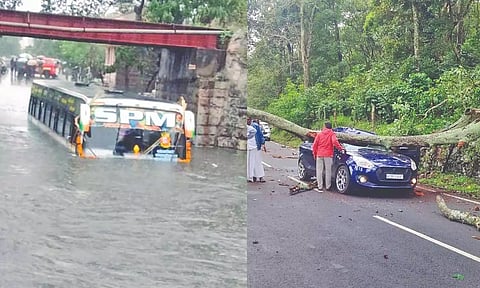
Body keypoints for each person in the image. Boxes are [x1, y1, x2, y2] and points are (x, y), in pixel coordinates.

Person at [312, 121, 345, 191]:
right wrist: (340, 148)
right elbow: (334, 142)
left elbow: (315, 145)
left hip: (319, 154)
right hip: (328, 154)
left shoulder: (319, 134)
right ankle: (328, 186)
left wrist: (314, 154)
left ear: (325, 126)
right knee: (328, 171)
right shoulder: (332, 134)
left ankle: (320, 186)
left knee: (319, 171)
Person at [247, 118, 258, 183]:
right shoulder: (249, 127)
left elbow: (254, 131)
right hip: (251, 145)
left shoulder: (249, 127)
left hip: (252, 146)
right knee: (250, 162)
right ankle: (250, 176)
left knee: (251, 162)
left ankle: (250, 176)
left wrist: (248, 137)